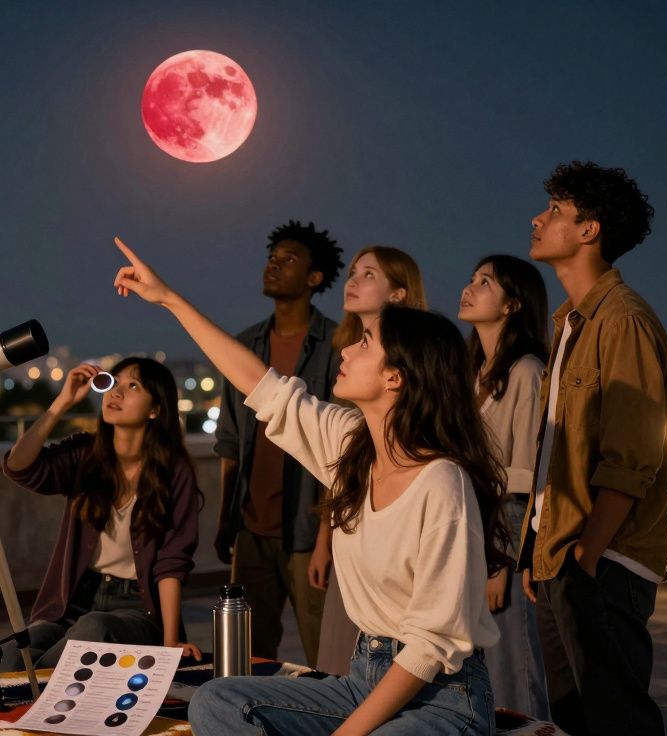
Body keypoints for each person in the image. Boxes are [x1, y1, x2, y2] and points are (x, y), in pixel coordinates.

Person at [113, 237, 507, 735]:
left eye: (366, 344)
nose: (347, 347)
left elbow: (430, 645)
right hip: (362, 677)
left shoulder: (442, 484)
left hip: (441, 698)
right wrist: (168, 298)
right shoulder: (351, 445)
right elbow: (259, 384)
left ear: (396, 378)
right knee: (218, 701)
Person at [518, 161, 667, 735]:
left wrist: (584, 557)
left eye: (555, 210)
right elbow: (558, 451)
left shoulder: (623, 321)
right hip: (566, 554)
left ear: (589, 230)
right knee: (574, 718)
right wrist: (541, 547)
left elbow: (632, 459)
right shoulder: (572, 323)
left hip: (602, 559)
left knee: (617, 718)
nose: (538, 218)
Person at [3, 358, 203, 667]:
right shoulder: (85, 454)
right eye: (114, 383)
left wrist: (169, 642)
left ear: (155, 409)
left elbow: (171, 563)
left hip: (136, 608)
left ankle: (32, 686)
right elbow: (20, 468)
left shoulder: (173, 472)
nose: (116, 393)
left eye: (132, 386)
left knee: (94, 629)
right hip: (74, 602)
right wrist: (62, 403)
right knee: (12, 653)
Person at [212, 220, 344, 667]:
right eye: (273, 256)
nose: (274, 265)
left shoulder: (335, 346)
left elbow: (340, 449)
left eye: (289, 260)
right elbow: (231, 442)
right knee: (249, 654)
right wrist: (226, 518)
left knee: (323, 652)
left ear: (314, 279)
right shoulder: (247, 344)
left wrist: (327, 539)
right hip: (252, 528)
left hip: (308, 531)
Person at [313, 245, 426, 676]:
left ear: (399, 294)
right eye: (353, 272)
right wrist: (327, 536)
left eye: (369, 274)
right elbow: (343, 456)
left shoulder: (413, 356)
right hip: (351, 517)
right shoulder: (346, 356)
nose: (352, 282)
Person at [458, 253, 550, 719]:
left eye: (485, 283)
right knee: (480, 663)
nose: (469, 288)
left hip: (507, 526)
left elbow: (530, 475)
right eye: (472, 279)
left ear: (513, 304)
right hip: (473, 523)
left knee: (515, 661)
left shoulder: (526, 371)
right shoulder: (472, 373)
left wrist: (504, 564)